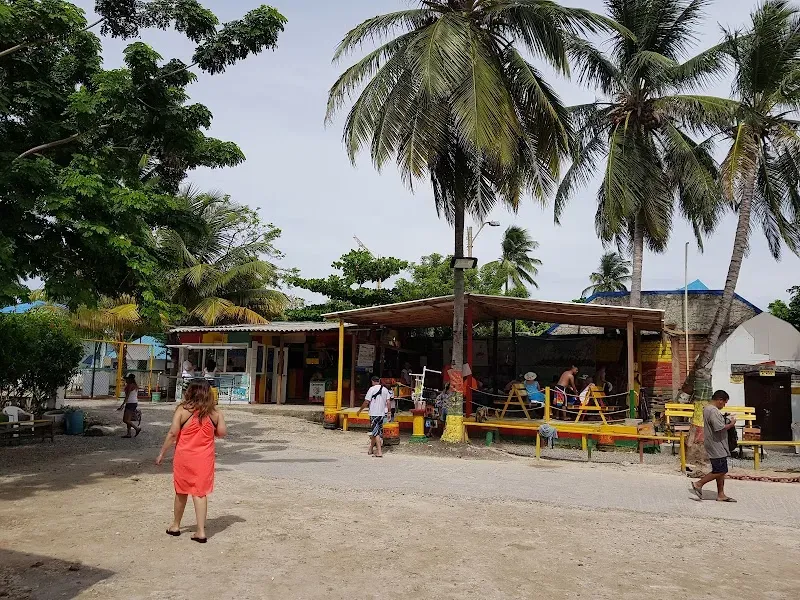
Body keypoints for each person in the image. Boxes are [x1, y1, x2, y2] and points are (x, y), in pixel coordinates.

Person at [157, 381, 228, 542]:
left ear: (190, 392)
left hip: (184, 457)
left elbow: (173, 433)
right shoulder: (215, 413)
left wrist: (162, 453)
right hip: (204, 459)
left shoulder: (182, 410)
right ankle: (201, 531)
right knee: (200, 493)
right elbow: (222, 432)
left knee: (181, 491)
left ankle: (175, 525)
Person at [690, 390, 737, 503]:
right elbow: (719, 427)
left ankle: (721, 494)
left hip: (715, 443)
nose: (724, 405)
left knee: (719, 470)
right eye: (724, 403)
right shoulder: (713, 411)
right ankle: (698, 484)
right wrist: (731, 424)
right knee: (721, 470)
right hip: (716, 444)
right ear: (720, 400)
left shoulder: (707, 409)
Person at [357, 376, 391, 457]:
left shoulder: (371, 389)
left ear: (372, 381)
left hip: (374, 414)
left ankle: (379, 452)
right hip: (382, 414)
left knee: (376, 433)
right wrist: (389, 412)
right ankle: (371, 449)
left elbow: (366, 402)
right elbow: (388, 402)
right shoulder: (385, 390)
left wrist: (360, 410)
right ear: (379, 381)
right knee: (375, 431)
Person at [117, 374, 142, 438]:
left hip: (130, 403)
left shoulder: (129, 386)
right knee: (128, 419)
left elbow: (127, 396)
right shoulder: (134, 385)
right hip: (133, 403)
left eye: (127, 379)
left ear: (130, 379)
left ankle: (137, 429)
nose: (126, 380)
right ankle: (129, 433)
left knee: (125, 420)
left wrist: (122, 405)